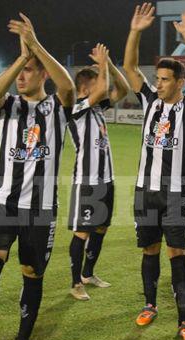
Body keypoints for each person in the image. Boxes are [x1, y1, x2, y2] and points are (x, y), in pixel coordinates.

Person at [0, 12, 76, 340]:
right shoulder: (10, 107)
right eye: (21, 72)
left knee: (32, 275)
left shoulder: (56, 109)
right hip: (2, 202)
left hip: (40, 209)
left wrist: (36, 47)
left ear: (43, 73)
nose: (21, 78)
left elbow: (69, 89)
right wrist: (21, 57)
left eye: (29, 71)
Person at [123, 3, 185, 340]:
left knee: (178, 254)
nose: (157, 84)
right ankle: (149, 304)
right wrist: (135, 31)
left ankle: (184, 322)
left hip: (175, 194)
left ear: (179, 81)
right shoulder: (149, 102)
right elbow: (129, 66)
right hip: (145, 191)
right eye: (156, 79)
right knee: (149, 251)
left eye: (164, 79)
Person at [66, 44, 130, 301]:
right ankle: (74, 283)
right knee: (82, 232)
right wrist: (102, 65)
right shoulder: (76, 109)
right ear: (84, 89)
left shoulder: (98, 109)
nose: (100, 87)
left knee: (101, 228)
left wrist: (109, 64)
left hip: (106, 179)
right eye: (94, 84)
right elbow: (104, 88)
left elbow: (123, 89)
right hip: (87, 181)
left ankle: (87, 274)